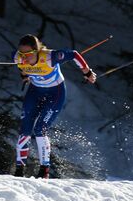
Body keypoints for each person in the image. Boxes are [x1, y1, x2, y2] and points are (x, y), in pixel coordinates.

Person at [12, 34, 96, 179]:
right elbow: (21, 66)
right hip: (35, 92)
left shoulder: (51, 57)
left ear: (37, 51)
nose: (24, 57)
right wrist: (24, 76)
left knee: (39, 129)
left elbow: (74, 55)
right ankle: (19, 170)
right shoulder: (17, 58)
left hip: (55, 93)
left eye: (28, 54)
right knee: (25, 128)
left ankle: (44, 170)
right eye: (21, 53)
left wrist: (87, 72)